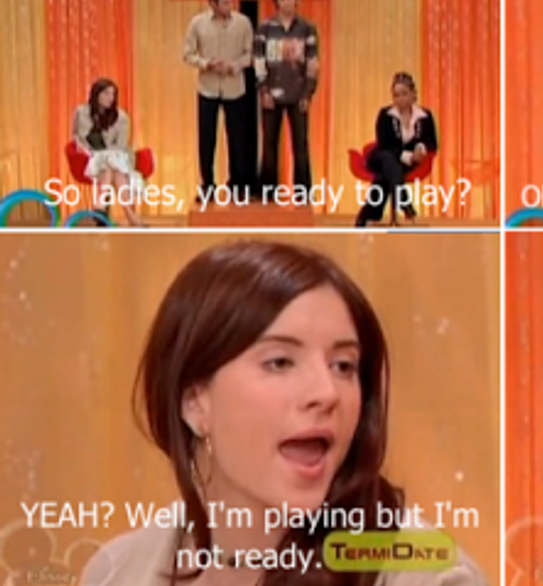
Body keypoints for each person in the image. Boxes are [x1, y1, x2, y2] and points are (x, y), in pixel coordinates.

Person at [79, 240, 489, 586]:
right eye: (280, 362)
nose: (327, 392)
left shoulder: (428, 575)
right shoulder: (117, 572)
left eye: (343, 366)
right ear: (194, 402)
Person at [183, 0, 255, 202]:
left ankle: (237, 185)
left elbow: (250, 54)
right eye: (224, 3)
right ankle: (208, 185)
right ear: (212, 3)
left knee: (237, 139)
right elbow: (188, 54)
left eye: (231, 2)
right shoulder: (197, 23)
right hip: (208, 88)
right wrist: (206, 63)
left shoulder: (243, 23)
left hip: (235, 88)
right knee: (207, 140)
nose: (229, 6)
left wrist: (234, 65)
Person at [255, 0, 320, 202]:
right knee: (269, 144)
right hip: (270, 94)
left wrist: (308, 93)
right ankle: (268, 192)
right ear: (276, 2)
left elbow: (312, 62)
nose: (286, 2)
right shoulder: (265, 28)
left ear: (296, 0)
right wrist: (263, 90)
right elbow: (258, 60)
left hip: (298, 94)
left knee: (300, 145)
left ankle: (303, 194)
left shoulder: (307, 28)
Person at [355, 73, 438, 227]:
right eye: (396, 95)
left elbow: (432, 142)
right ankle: (405, 203)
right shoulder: (385, 115)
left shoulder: (425, 116)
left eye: (404, 94)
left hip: (404, 163)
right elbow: (384, 144)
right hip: (379, 157)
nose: (400, 99)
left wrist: (421, 149)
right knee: (388, 159)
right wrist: (408, 156)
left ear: (413, 94)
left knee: (387, 173)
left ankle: (367, 215)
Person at [71, 78, 145, 227]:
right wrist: (83, 149)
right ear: (96, 94)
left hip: (117, 156)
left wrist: (105, 155)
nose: (110, 98)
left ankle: (100, 205)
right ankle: (131, 216)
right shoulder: (81, 112)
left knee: (109, 164)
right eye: (106, 93)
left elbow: (121, 145)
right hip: (89, 156)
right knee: (111, 168)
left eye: (113, 94)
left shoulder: (121, 117)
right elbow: (76, 135)